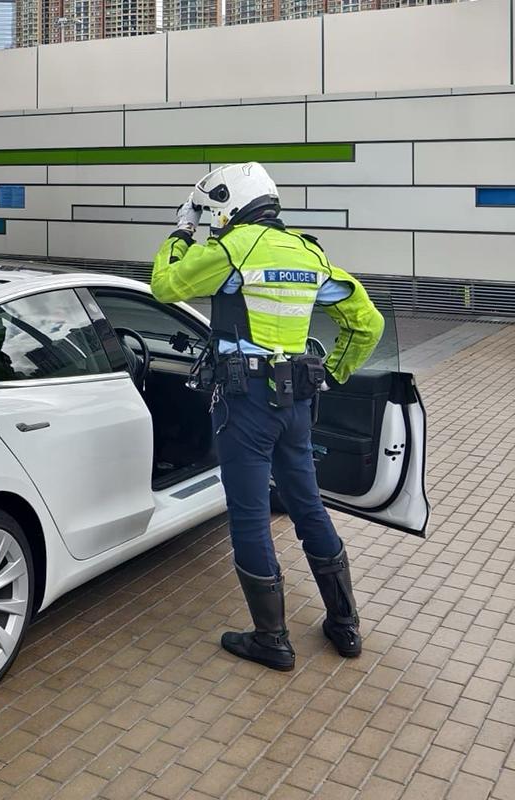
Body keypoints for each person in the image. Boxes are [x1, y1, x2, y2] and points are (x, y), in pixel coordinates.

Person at [150, 162, 385, 671]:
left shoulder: (233, 249)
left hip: (246, 404)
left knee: (251, 516)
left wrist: (181, 232)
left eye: (214, 213)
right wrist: (332, 373)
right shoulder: (307, 252)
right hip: (296, 405)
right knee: (308, 506)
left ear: (231, 207)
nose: (213, 222)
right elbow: (368, 323)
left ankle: (271, 638)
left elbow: (165, 286)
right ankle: (345, 625)